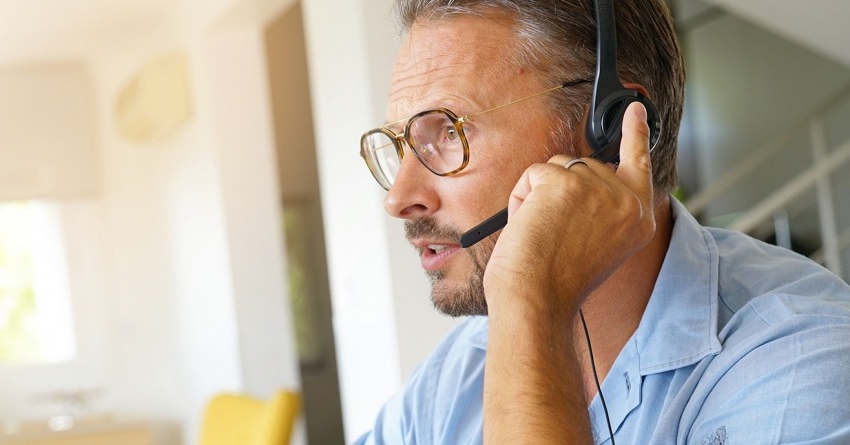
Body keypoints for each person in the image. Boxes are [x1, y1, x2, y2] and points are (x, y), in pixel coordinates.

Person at [354, 0, 850, 443]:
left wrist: (530, 299)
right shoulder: (457, 372)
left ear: (612, 133)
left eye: (448, 132)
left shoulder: (803, 356)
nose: (398, 198)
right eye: (401, 145)